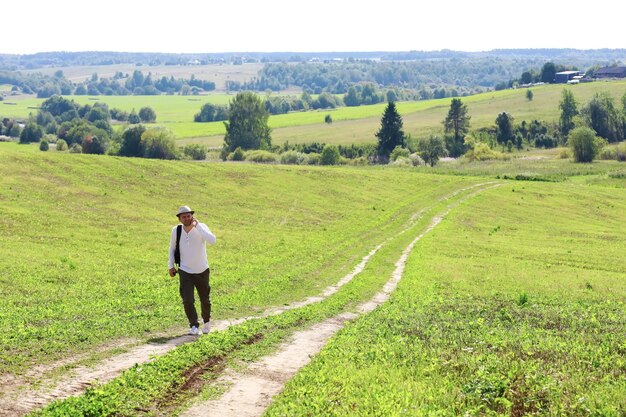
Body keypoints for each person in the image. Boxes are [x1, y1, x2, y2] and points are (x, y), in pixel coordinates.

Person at [168, 205, 216, 335]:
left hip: (202, 270)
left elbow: (212, 240)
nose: (187, 218)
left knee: (204, 299)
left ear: (192, 216)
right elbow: (172, 249)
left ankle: (206, 322)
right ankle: (193, 325)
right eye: (184, 216)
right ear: (180, 219)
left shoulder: (201, 227)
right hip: (185, 270)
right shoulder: (176, 230)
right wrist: (170, 266)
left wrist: (198, 226)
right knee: (187, 299)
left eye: (189, 216)